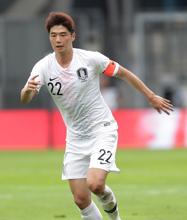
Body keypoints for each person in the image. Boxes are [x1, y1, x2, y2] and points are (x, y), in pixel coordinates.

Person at [20, 12, 173, 220]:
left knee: (95, 184)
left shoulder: (91, 59)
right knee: (81, 199)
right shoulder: (43, 67)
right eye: (53, 35)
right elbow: (25, 98)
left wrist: (151, 96)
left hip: (102, 129)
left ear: (73, 36)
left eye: (63, 34)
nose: (58, 39)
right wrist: (28, 90)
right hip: (75, 138)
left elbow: (124, 73)